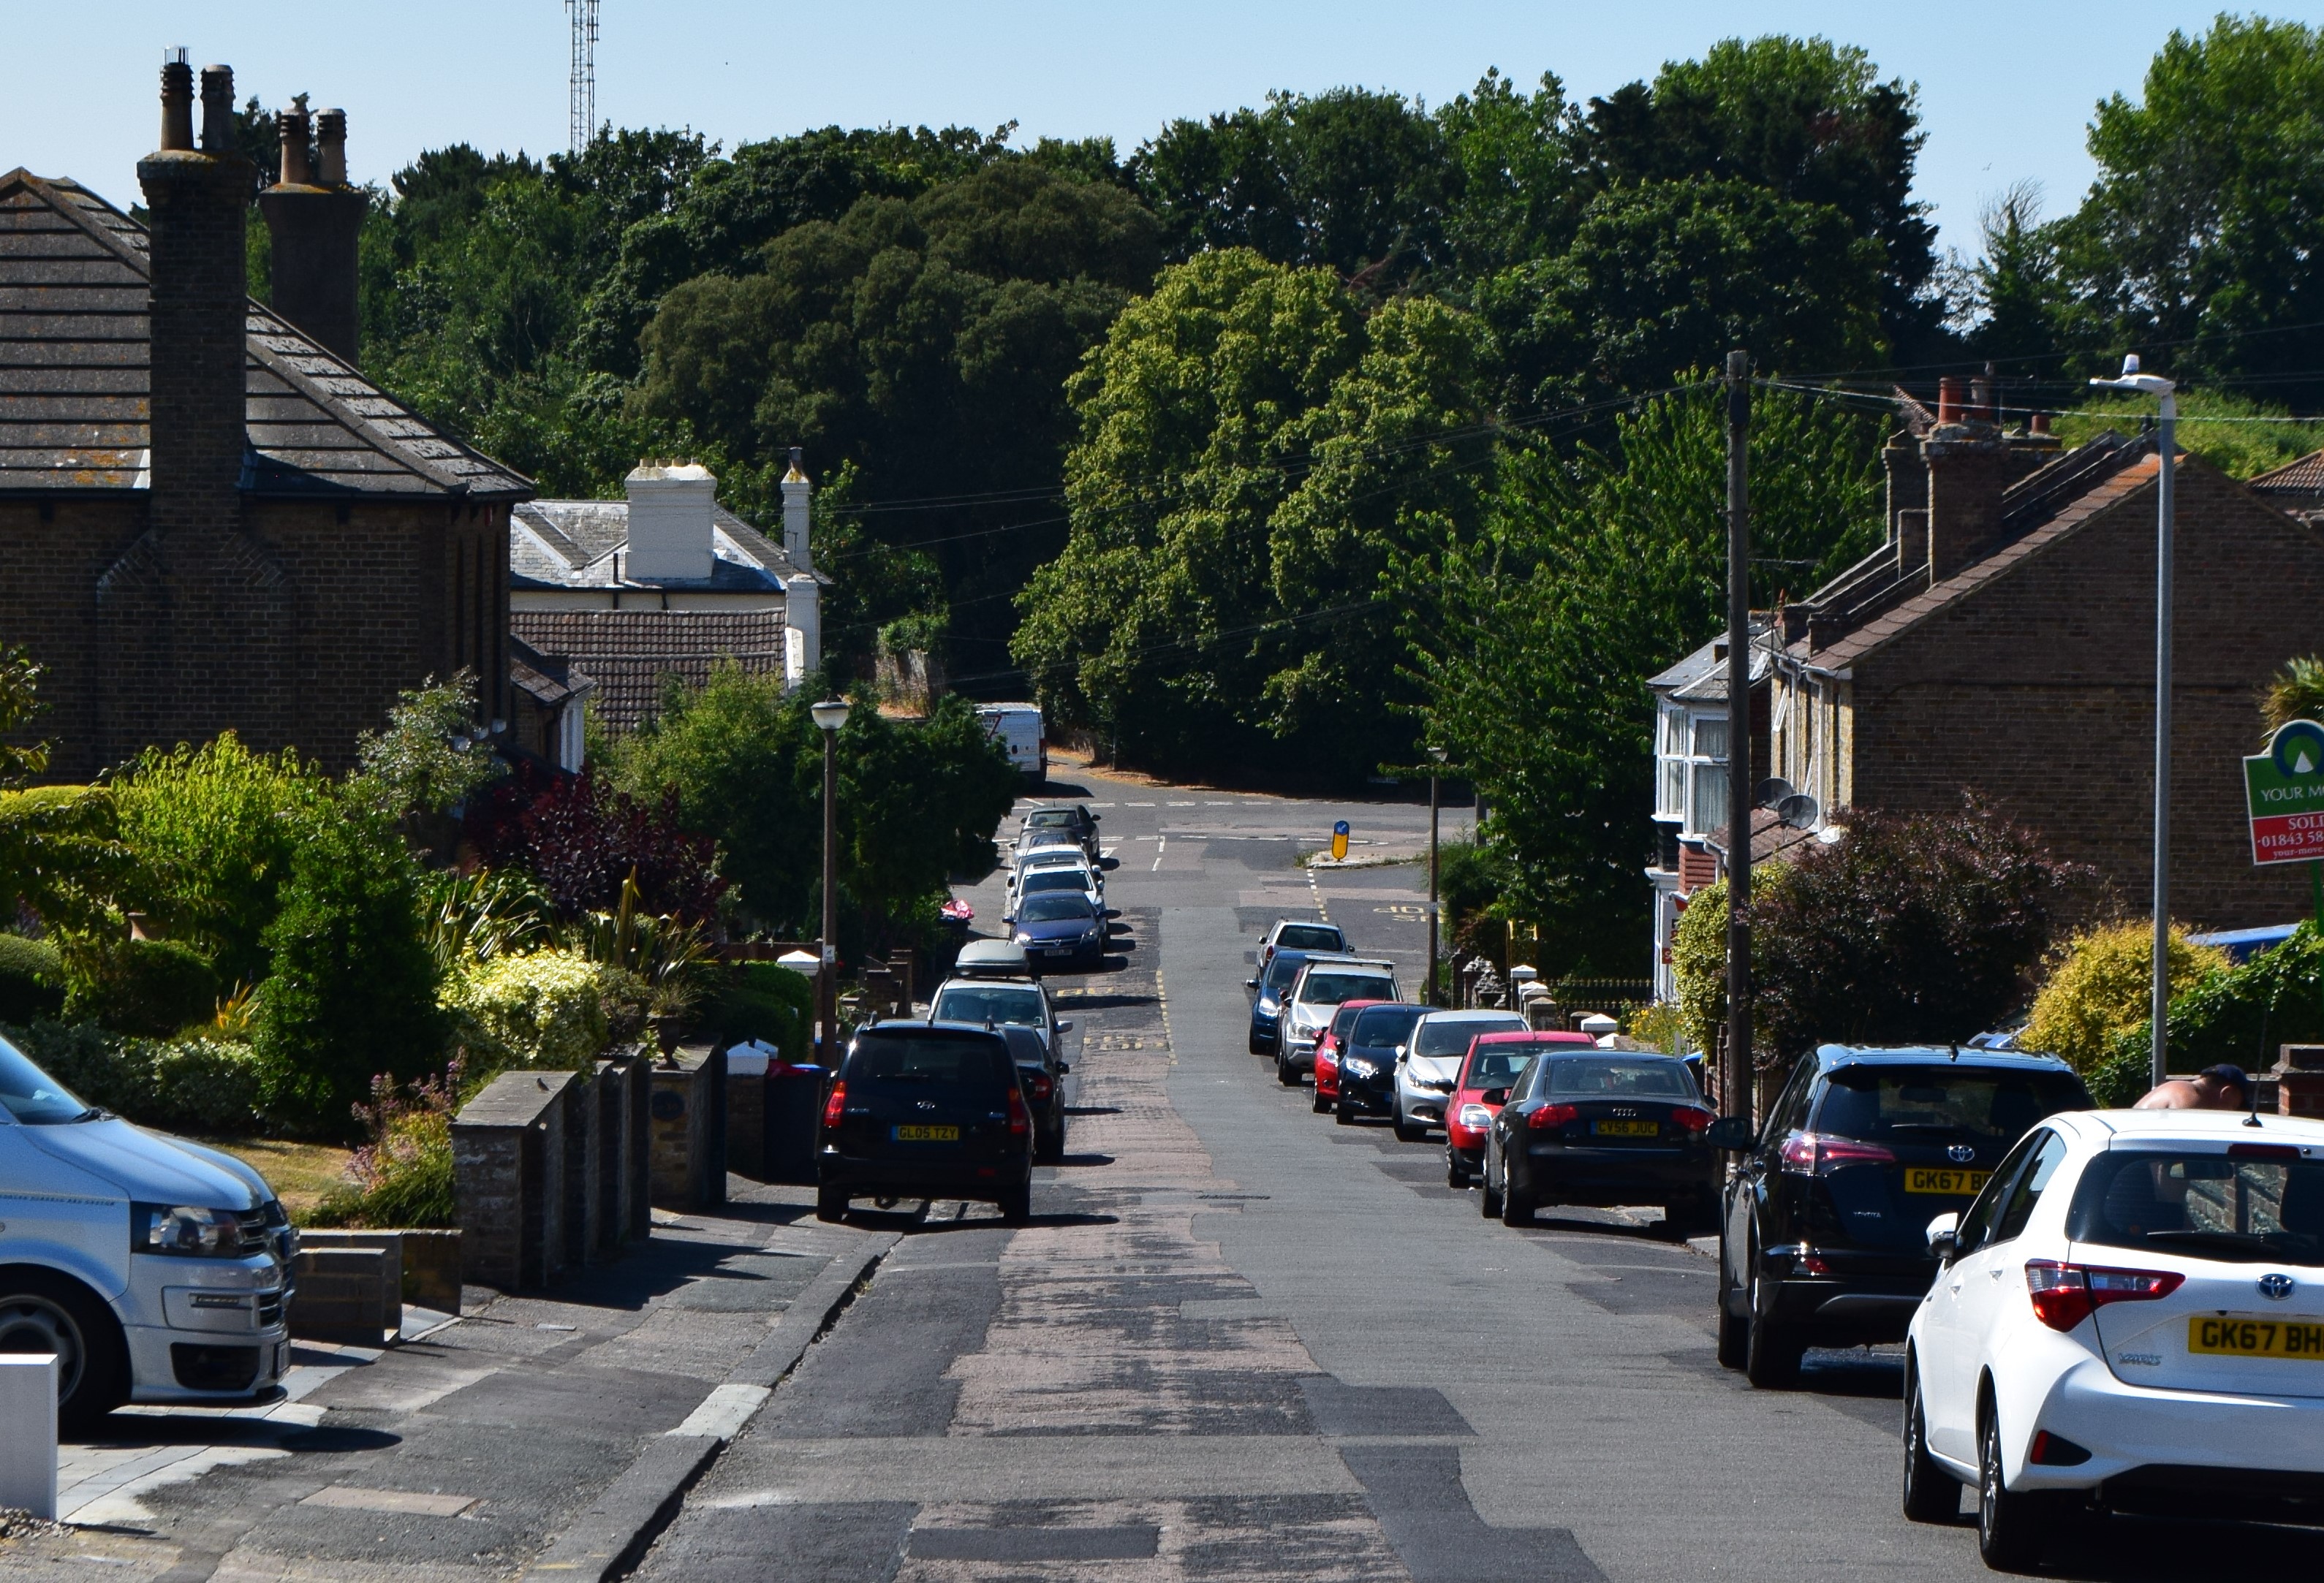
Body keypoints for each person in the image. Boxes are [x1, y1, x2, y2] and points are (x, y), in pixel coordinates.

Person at [2133, 1063, 2250, 1112]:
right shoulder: (2190, 1099)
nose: (2231, 1112)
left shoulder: (2177, 1087)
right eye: (2233, 1106)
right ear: (2226, 1093)